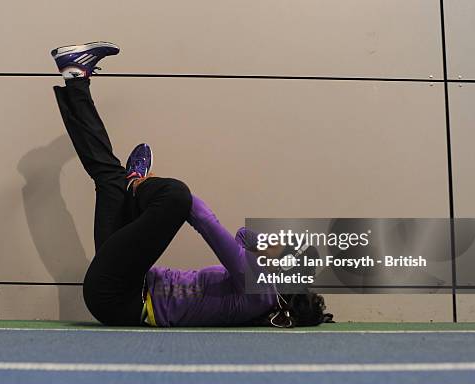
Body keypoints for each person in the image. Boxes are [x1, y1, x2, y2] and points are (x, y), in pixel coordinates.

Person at [50, 41, 329, 327]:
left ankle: (136, 182)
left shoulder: (257, 287)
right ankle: (76, 76)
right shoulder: (257, 292)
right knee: (108, 178)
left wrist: (279, 250)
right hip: (124, 286)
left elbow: (204, 219)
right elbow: (242, 237)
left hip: (121, 297)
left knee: (177, 197)